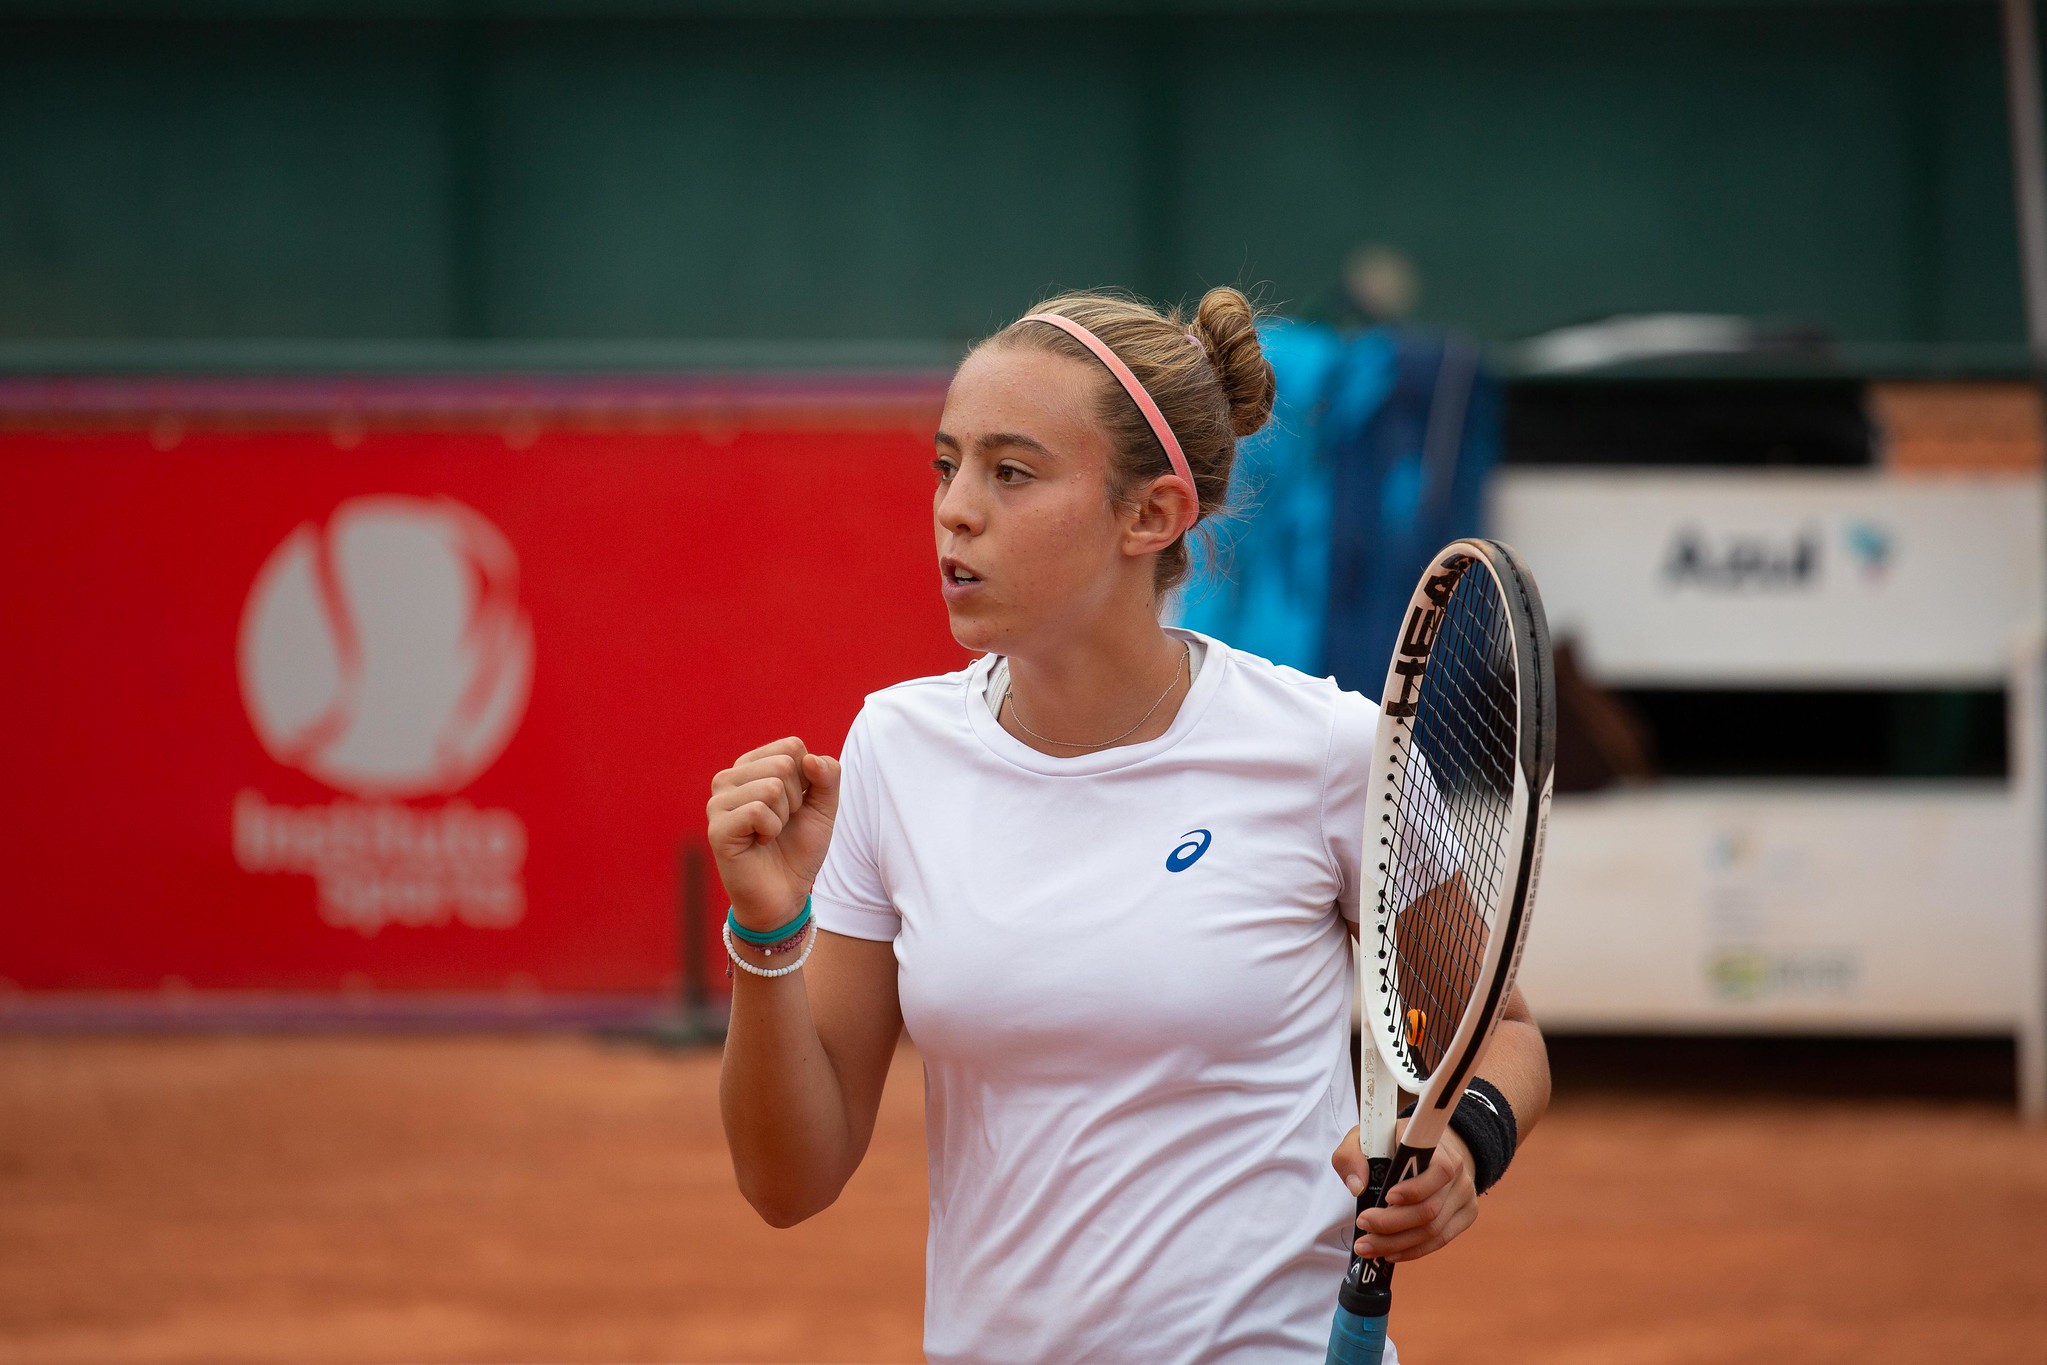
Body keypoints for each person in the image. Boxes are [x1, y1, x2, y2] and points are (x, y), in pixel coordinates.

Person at [708, 287, 1551, 1364]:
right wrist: (770, 936)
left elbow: (1504, 1034)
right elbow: (790, 1183)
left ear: (1150, 515)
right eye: (946, 464)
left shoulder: (1330, 752)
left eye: (1010, 473)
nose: (955, 509)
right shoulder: (893, 751)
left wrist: (1467, 1149)